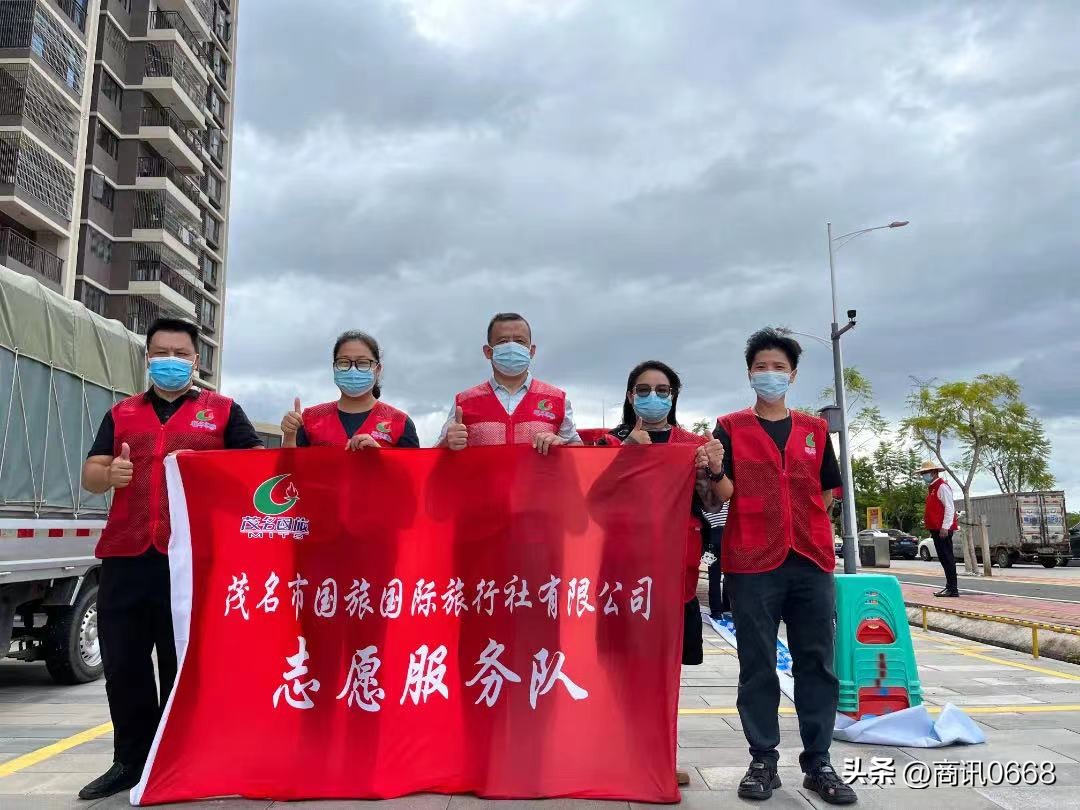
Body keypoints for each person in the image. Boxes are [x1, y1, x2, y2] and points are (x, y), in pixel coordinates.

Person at [79, 318, 263, 800]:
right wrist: (110, 475)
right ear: (147, 358)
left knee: (183, 664)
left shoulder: (222, 412)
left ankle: (180, 760)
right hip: (126, 554)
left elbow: (255, 469)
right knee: (124, 664)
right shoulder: (122, 413)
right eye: (161, 352)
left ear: (196, 361)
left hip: (191, 562)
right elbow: (91, 471)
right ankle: (130, 762)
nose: (171, 361)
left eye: (180, 354)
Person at [700, 327, 855, 805]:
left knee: (817, 661)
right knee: (757, 663)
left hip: (810, 559)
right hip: (751, 560)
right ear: (749, 374)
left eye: (779, 367)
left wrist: (808, 525)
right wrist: (716, 469)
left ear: (793, 374)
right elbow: (722, 494)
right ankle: (763, 760)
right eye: (761, 367)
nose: (770, 374)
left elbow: (827, 490)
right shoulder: (729, 427)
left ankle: (818, 762)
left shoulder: (814, 430)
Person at [599, 360, 724, 787]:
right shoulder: (610, 442)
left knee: (665, 669)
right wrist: (626, 453)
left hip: (675, 574)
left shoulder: (693, 445)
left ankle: (659, 757)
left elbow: (715, 501)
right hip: (622, 573)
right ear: (630, 395)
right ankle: (618, 754)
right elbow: (592, 497)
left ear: (673, 396)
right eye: (643, 389)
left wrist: (713, 468)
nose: (653, 397)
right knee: (619, 667)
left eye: (662, 390)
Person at [436, 312, 583, 450]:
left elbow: (579, 451)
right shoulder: (464, 403)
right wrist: (447, 443)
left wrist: (562, 446)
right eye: (503, 341)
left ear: (531, 351)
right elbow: (434, 456)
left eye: (520, 341)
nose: (512, 347)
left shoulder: (557, 400)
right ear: (488, 352)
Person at [279, 330, 419, 449]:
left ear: (378, 369)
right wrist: (290, 436)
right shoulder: (310, 419)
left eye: (363, 363)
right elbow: (288, 470)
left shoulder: (400, 422)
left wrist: (382, 455)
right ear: (334, 368)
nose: (353, 369)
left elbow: (415, 470)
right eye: (344, 362)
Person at [919, 460, 959, 597]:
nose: (924, 475)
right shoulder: (932, 488)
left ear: (934, 472)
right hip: (936, 529)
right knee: (943, 557)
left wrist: (945, 527)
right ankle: (949, 587)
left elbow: (949, 508)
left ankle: (952, 589)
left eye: (926, 472)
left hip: (943, 529)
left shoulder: (942, 487)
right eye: (923, 473)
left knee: (947, 557)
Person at [704, 502, 730, 618]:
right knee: (729, 572)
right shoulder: (726, 500)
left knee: (713, 576)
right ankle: (727, 605)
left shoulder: (703, 503)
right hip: (726, 536)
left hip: (710, 538)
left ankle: (716, 611)